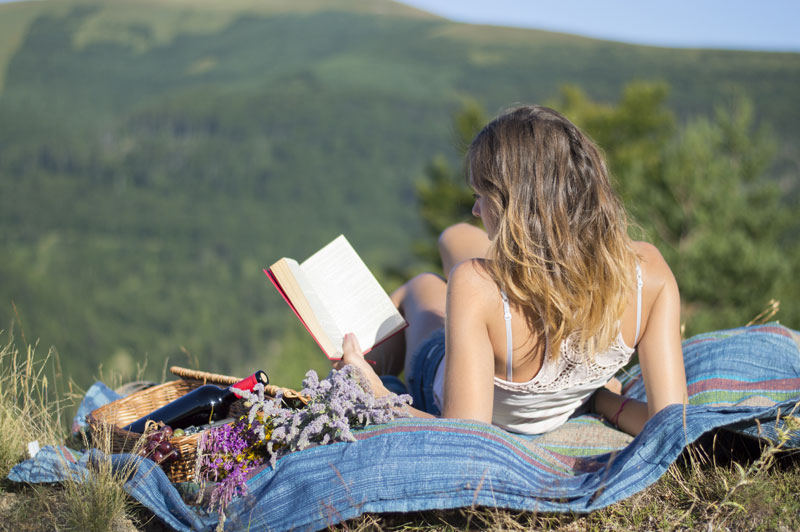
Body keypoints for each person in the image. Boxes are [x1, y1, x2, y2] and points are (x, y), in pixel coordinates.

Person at [334, 105, 688, 437]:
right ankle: (541, 260)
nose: (475, 209)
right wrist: (600, 399)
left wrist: (376, 392)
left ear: (514, 206)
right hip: (565, 371)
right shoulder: (649, 274)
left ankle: (360, 354)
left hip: (460, 358)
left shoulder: (473, 283)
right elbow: (670, 423)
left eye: (481, 195)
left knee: (420, 288)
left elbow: (464, 438)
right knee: (454, 237)